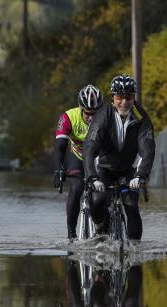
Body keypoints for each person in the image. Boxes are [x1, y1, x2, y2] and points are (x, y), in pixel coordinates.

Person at [83, 74, 155, 240]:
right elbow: (90, 148)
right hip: (104, 167)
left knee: (131, 204)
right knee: (99, 199)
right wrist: (92, 178)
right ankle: (100, 228)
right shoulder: (102, 116)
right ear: (113, 97)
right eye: (120, 97)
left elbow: (148, 149)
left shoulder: (142, 118)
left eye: (129, 97)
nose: (124, 102)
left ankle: (135, 255)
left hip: (129, 169)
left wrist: (141, 175)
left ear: (134, 97)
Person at [53, 84, 104, 240]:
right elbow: (61, 146)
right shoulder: (69, 117)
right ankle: (71, 234)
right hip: (79, 157)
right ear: (81, 108)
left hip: (100, 159)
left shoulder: (108, 116)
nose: (91, 117)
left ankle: (104, 227)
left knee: (103, 194)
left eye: (95, 113)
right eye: (88, 113)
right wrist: (58, 168)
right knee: (76, 189)